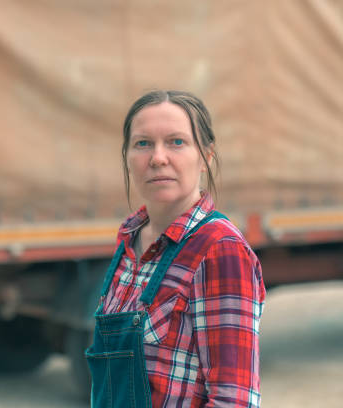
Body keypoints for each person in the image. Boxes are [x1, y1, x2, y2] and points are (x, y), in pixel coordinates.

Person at [85, 90, 266, 407]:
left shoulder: (218, 249)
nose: (157, 157)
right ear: (127, 158)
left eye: (176, 142)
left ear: (205, 157)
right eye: (143, 143)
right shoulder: (129, 239)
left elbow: (233, 399)